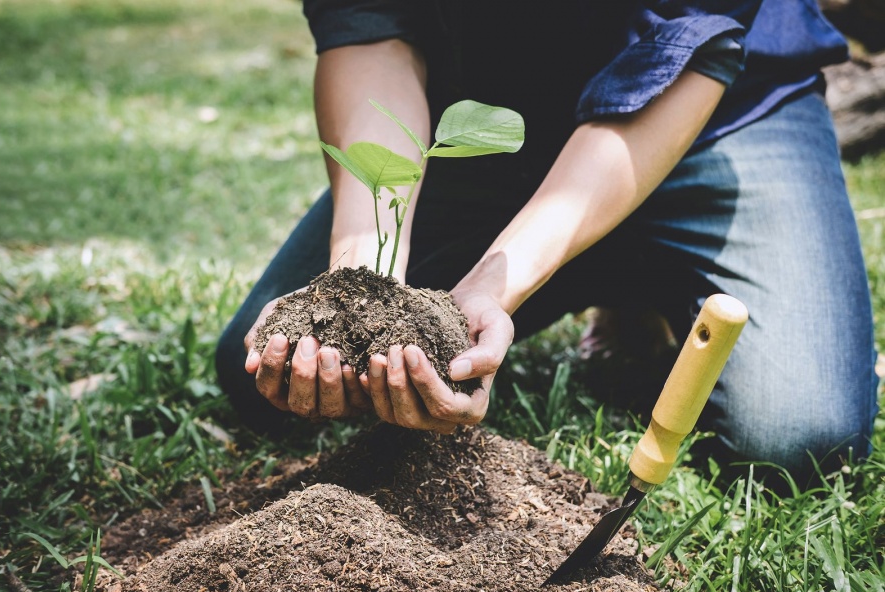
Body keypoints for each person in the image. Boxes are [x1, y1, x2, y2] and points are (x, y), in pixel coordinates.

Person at [215, 1, 880, 478]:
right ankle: (611, 267)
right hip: (493, 119)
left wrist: (499, 282)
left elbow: (686, 42)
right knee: (261, 373)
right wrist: (358, 282)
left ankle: (627, 276)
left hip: (719, 112)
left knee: (799, 435)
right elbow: (371, 29)